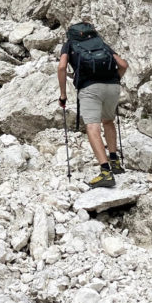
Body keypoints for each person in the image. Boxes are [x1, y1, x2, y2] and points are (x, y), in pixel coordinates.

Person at [57, 18, 128, 188]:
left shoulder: (69, 45)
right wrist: (113, 80)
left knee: (92, 126)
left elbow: (61, 67)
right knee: (108, 121)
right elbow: (123, 65)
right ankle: (115, 162)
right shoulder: (100, 43)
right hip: (113, 86)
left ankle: (105, 172)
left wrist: (63, 95)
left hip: (89, 88)